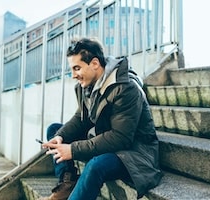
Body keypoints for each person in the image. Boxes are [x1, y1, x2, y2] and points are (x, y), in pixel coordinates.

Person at [40, 37, 163, 200]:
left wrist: (73, 149)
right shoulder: (88, 86)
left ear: (95, 64)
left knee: (95, 166)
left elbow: (121, 138)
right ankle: (67, 185)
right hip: (107, 141)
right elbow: (80, 118)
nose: (73, 75)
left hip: (133, 152)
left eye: (77, 68)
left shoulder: (126, 88)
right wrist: (60, 136)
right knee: (54, 130)